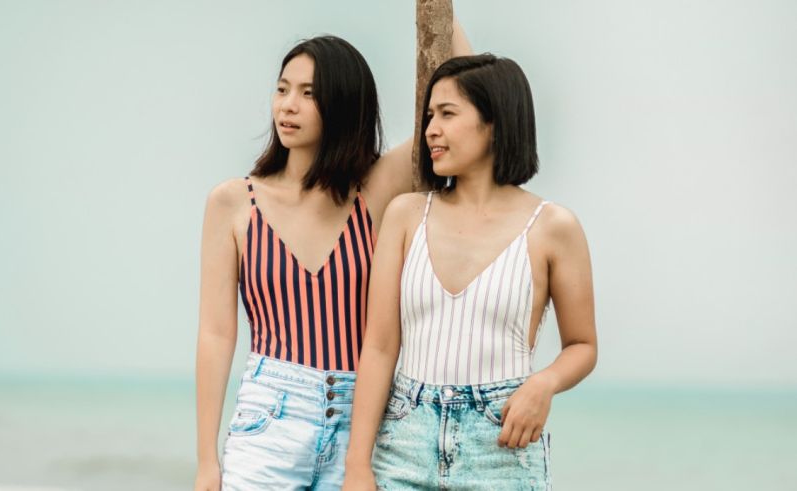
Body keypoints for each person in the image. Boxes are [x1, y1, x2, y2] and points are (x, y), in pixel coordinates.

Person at [194, 24, 473, 491]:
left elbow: (464, 82)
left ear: (344, 104)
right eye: (282, 89)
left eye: (309, 93)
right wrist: (207, 462)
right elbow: (216, 334)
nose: (288, 104)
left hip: (362, 423)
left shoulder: (375, 191)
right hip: (268, 423)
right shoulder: (234, 202)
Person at [342, 54, 598, 490]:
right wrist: (357, 465)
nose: (430, 131)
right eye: (428, 117)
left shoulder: (554, 227)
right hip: (403, 444)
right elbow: (380, 347)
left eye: (447, 114)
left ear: (494, 121)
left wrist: (544, 384)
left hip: (502, 445)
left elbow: (583, 345)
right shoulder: (406, 216)